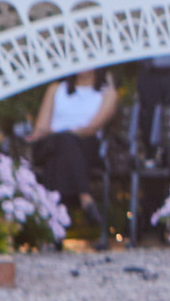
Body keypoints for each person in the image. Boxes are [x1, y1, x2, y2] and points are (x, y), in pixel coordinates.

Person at [30, 72, 120, 232]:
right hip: (52, 142)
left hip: (85, 145)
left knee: (59, 155)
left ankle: (52, 223)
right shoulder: (56, 89)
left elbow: (92, 127)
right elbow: (41, 127)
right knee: (62, 143)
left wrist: (67, 134)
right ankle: (84, 196)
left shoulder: (107, 93)